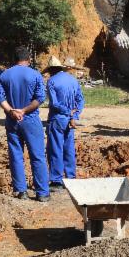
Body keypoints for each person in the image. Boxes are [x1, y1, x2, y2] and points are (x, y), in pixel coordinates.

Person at [0, 48, 50, 202]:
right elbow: (40, 98)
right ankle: (42, 193)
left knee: (16, 156)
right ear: (29, 59)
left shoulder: (5, 74)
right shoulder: (35, 74)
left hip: (12, 121)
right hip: (31, 120)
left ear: (15, 59)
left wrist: (12, 111)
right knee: (37, 156)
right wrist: (24, 111)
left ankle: (21, 192)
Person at [44, 57, 85, 190]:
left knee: (56, 148)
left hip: (58, 119)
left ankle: (56, 180)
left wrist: (67, 112)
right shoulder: (73, 80)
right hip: (70, 120)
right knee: (68, 148)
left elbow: (55, 103)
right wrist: (74, 115)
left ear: (50, 70)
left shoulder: (51, 82)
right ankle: (71, 177)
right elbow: (80, 100)